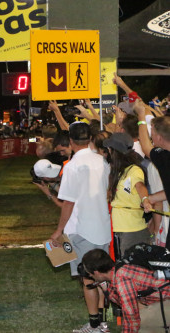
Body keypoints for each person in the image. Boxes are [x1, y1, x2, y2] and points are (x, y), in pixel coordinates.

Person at [48, 122, 111, 333]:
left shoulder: (73, 166)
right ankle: (102, 322)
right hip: (103, 225)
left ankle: (95, 325)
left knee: (88, 279)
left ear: (71, 142)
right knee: (102, 276)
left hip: (82, 228)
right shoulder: (103, 160)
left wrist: (58, 231)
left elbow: (68, 202)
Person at [82, 249, 170, 333]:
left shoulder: (122, 280)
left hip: (166, 301)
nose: (91, 277)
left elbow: (131, 318)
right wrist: (106, 290)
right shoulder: (119, 268)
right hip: (163, 300)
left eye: (90, 274)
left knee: (141, 322)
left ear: (96, 272)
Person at [103, 132, 152, 256]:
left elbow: (140, 185)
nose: (108, 151)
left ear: (114, 151)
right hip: (121, 229)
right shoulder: (120, 171)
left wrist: (145, 200)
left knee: (129, 269)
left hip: (132, 231)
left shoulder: (134, 170)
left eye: (109, 148)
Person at [134, 99, 170, 248]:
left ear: (160, 138)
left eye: (153, 135)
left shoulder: (164, 157)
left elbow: (145, 146)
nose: (151, 138)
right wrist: (151, 198)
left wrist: (141, 117)